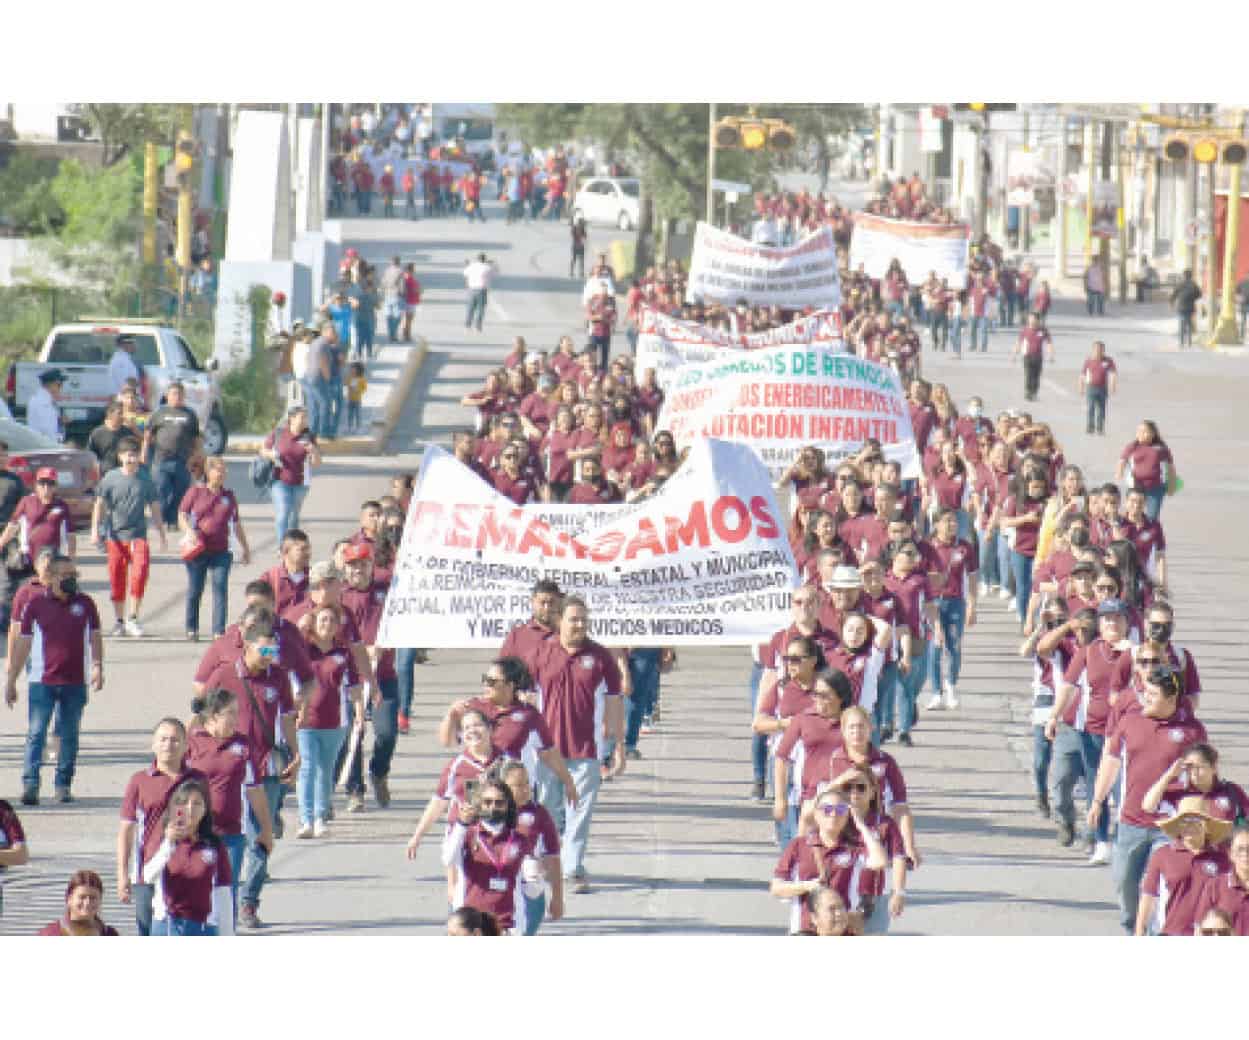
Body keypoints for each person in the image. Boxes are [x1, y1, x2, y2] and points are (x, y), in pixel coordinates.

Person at [1089, 665, 1207, 934]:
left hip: (1169, 825)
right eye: (1144, 692)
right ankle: (1133, 929)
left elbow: (1203, 776)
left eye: (1152, 694)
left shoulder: (1192, 731)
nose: (1145, 699)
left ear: (1171, 699)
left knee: (1159, 889)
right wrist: (1097, 800)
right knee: (1124, 885)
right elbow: (1111, 761)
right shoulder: (1130, 722)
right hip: (1130, 821)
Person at [529, 595, 624, 894]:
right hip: (547, 751)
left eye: (584, 619)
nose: (580, 624)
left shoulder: (600, 657)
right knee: (548, 810)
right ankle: (548, 860)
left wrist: (617, 746)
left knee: (580, 812)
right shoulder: (542, 652)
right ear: (560, 621)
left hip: (587, 750)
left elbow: (613, 702)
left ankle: (573, 868)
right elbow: (527, 699)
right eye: (574, 619)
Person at [6, 554, 102, 805]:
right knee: (36, 733)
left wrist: (97, 665)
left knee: (69, 735)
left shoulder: (86, 604)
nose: (72, 580)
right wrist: (11, 680)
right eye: (66, 575)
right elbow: (23, 644)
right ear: (50, 578)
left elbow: (95, 636)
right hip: (42, 681)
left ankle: (63, 784)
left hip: (74, 682)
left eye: (74, 575)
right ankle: (30, 784)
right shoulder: (35, 605)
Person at [186, 687, 273, 912]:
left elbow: (255, 789)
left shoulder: (242, 744)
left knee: (226, 892)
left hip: (232, 834)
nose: (237, 719)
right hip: (195, 832)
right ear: (213, 716)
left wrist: (266, 829)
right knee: (197, 890)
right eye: (231, 713)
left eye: (237, 712)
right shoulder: (192, 741)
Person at [118, 718, 205, 935]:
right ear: (153, 744)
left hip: (187, 868)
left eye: (175, 740)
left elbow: (208, 823)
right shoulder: (139, 781)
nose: (168, 745)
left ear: (186, 746)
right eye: (163, 739)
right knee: (148, 933)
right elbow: (127, 830)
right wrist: (122, 874)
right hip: (149, 871)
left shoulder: (197, 779)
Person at [769, 781, 887, 935]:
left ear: (847, 815)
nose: (833, 814)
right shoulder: (799, 845)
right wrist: (807, 886)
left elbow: (880, 861)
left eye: (840, 809)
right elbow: (776, 888)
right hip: (804, 929)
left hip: (844, 929)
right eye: (827, 809)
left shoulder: (856, 847)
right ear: (816, 814)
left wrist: (861, 826)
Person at [295, 603, 364, 837]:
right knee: (307, 768)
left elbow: (354, 685)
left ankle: (320, 816)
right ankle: (305, 819)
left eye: (332, 621)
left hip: (335, 723)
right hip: (305, 722)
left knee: (325, 771)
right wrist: (297, 628)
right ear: (314, 623)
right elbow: (272, 653)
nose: (327, 624)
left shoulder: (343, 653)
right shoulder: (302, 648)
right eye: (322, 619)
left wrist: (360, 713)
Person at [91, 436, 165, 636]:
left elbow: (155, 506)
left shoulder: (145, 479)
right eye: (128, 456)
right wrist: (94, 531)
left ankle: (133, 617)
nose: (131, 459)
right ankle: (119, 620)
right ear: (120, 456)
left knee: (140, 573)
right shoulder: (110, 478)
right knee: (117, 578)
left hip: (138, 535)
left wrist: (161, 533)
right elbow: (99, 504)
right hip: (115, 536)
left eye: (134, 455)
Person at [142, 778, 233, 935]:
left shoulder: (214, 844)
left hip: (203, 926)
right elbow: (148, 876)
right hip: (167, 925)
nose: (190, 808)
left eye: (197, 803)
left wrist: (227, 934)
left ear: (205, 810)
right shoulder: (161, 839)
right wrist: (169, 844)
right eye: (184, 803)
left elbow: (222, 892)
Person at [442, 779, 533, 934]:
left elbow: (530, 885)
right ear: (479, 804)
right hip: (470, 922)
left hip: (507, 923)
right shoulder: (467, 834)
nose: (493, 807)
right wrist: (461, 825)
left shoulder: (520, 839)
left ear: (508, 805)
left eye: (499, 802)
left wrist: (536, 879)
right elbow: (448, 859)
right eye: (487, 802)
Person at [1136, 797, 1231, 936]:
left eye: (1197, 821)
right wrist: (1139, 930)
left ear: (1207, 827)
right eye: (1185, 821)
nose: (1191, 826)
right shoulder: (1162, 855)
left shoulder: (1222, 858)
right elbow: (1149, 895)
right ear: (1178, 826)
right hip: (1170, 933)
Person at [179, 455, 250, 641]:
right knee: (196, 589)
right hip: (198, 549)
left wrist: (245, 548)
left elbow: (236, 524)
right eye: (218, 469)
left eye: (224, 470)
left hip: (221, 550)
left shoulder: (229, 496)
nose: (222, 474)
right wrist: (189, 532)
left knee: (220, 588)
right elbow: (182, 515)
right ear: (208, 472)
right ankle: (191, 627)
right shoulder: (195, 492)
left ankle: (218, 631)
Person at [498, 759, 564, 935]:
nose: (526, 788)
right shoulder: (491, 812)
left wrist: (557, 897)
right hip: (497, 888)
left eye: (527, 782)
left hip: (530, 886)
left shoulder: (538, 813)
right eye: (518, 785)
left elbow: (553, 856)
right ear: (503, 787)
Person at [924, 507, 978, 710]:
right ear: (936, 524)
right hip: (932, 603)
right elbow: (920, 575)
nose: (952, 525)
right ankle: (936, 693)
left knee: (954, 647)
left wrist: (972, 605)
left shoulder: (965, 547)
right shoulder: (927, 547)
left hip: (956, 602)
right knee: (935, 647)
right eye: (946, 521)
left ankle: (951, 686)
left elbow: (972, 576)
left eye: (954, 521)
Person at [260, 406, 321, 544]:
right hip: (279, 480)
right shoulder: (279, 433)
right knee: (283, 513)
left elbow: (316, 463)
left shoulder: (309, 436)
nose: (306, 420)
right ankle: (282, 547)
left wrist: (313, 451)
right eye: (302, 417)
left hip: (301, 484)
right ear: (291, 419)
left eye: (306, 417)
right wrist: (272, 454)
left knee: (293, 516)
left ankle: (293, 544)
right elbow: (263, 450)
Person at [1193, 826, 1249, 934]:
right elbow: (1200, 927)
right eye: (1240, 849)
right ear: (1231, 854)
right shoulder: (1215, 886)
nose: (1245, 854)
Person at [1115, 419, 1174, 523]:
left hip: (1155, 489)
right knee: (1132, 514)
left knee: (1152, 517)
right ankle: (1131, 534)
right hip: (1136, 487)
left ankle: (1150, 535)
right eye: (1139, 431)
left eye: (1144, 431)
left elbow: (1170, 467)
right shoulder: (1132, 446)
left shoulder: (1161, 449)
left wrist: (1172, 485)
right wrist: (1119, 473)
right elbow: (1122, 460)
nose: (1141, 434)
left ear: (1153, 434)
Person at [37, 870, 120, 936]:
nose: (87, 902)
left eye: (93, 898)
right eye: (82, 897)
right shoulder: (51, 934)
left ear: (100, 900)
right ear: (69, 899)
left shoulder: (110, 934)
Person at [1011, 312, 1055, 402]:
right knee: (1028, 374)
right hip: (1027, 355)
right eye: (1030, 319)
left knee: (1036, 376)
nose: (1031, 321)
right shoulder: (1025, 330)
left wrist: (1051, 355)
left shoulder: (1043, 330)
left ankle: (1034, 392)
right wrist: (1014, 354)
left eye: (1033, 319)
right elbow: (1019, 342)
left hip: (1038, 356)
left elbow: (1049, 343)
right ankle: (1028, 392)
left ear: (1038, 320)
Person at [87, 402, 141, 475]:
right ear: (110, 415)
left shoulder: (128, 432)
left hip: (124, 473)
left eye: (124, 413)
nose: (123, 416)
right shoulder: (98, 433)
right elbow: (91, 454)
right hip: (104, 473)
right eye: (119, 413)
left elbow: (136, 450)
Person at [1078, 341, 1118, 436]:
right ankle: (1090, 427)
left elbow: (1113, 373)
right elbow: (1082, 375)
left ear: (1103, 350)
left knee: (1101, 409)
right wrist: (1081, 387)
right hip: (1091, 387)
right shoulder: (1089, 361)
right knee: (1091, 407)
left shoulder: (1108, 361)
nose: (1098, 351)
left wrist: (1113, 385)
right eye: (1096, 349)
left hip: (1102, 388)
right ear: (1093, 350)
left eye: (1100, 349)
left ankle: (1100, 428)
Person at [26, 368, 65, 442]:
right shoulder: (43, 402)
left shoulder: (44, 400)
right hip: (45, 447)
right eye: (59, 385)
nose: (60, 389)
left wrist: (60, 422)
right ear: (50, 385)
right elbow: (48, 430)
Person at [1170, 268, 1202, 348]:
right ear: (1191, 276)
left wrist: (1171, 303)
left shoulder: (1180, 284)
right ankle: (1189, 342)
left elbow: (1174, 294)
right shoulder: (1194, 284)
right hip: (1190, 307)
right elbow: (1199, 294)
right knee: (1189, 324)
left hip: (1181, 307)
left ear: (1184, 276)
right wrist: (1193, 298)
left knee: (1181, 324)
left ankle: (1181, 342)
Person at [464, 253, 496, 333]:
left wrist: (469, 264)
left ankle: (467, 326)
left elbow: (465, 273)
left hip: (471, 289)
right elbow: (495, 273)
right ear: (484, 259)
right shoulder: (487, 267)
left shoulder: (472, 266)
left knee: (470, 308)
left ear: (477, 259)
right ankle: (478, 326)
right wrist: (491, 264)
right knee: (480, 309)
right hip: (482, 289)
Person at [345, 362, 367, 434]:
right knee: (350, 414)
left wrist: (358, 390)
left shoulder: (362, 379)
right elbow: (346, 383)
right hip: (350, 399)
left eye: (353, 369)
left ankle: (359, 427)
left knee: (358, 414)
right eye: (351, 369)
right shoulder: (350, 378)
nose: (352, 370)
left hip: (357, 400)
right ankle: (349, 426)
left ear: (358, 370)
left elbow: (364, 388)